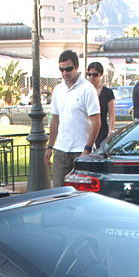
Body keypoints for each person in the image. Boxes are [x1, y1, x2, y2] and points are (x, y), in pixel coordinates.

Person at [45, 50, 100, 188]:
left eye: (68, 69)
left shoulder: (87, 89)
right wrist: (50, 146)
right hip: (61, 150)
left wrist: (87, 149)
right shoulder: (58, 90)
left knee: (81, 194)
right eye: (61, 69)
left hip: (81, 150)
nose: (65, 73)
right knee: (58, 193)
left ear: (76, 67)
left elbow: (96, 121)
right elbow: (55, 120)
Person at [85, 61, 115, 149]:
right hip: (86, 130)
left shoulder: (107, 93)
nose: (91, 77)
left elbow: (112, 114)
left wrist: (111, 131)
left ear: (101, 75)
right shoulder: (85, 91)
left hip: (102, 131)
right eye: (89, 74)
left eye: (95, 75)